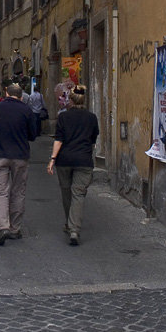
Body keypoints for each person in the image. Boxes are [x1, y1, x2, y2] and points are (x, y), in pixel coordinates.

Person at [0, 84, 38, 246]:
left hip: (0, 155)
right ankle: (14, 229)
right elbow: (33, 135)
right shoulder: (27, 111)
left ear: (6, 93)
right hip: (20, 156)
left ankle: (2, 227)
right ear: (21, 96)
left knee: (0, 192)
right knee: (18, 192)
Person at [47, 86, 99, 246]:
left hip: (65, 160)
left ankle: (69, 224)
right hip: (83, 159)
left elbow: (59, 139)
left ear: (70, 100)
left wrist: (52, 159)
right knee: (79, 194)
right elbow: (93, 138)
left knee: (66, 192)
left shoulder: (64, 117)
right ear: (84, 100)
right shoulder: (91, 117)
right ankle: (74, 229)